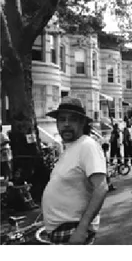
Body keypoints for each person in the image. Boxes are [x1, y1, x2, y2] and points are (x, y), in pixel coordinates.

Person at [42, 97, 108, 244]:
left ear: (82, 123)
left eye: (72, 120)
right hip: (60, 230)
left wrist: (82, 229)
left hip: (73, 230)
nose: (66, 124)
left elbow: (101, 187)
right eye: (61, 119)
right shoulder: (70, 148)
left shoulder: (87, 145)